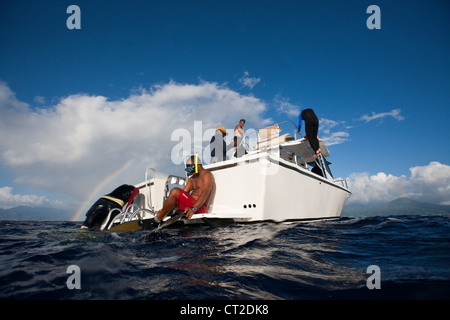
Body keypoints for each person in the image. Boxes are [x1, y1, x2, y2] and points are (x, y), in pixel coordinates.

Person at [154, 155, 215, 224]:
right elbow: (181, 195)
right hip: (190, 207)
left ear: (198, 165)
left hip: (199, 208)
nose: (189, 169)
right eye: (187, 167)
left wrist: (193, 209)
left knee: (175, 190)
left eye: (190, 166)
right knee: (174, 195)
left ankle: (157, 220)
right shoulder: (191, 179)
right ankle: (166, 214)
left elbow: (205, 193)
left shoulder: (207, 175)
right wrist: (164, 209)